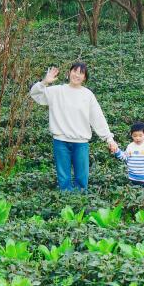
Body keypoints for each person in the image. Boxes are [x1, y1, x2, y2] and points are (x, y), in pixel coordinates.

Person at [30, 63, 115, 192]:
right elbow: (36, 94)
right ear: (69, 73)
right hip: (60, 141)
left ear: (85, 78)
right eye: (75, 71)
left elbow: (97, 117)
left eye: (81, 73)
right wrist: (44, 82)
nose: (77, 75)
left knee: (82, 177)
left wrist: (109, 138)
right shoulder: (57, 91)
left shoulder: (87, 95)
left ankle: (80, 203)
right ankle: (66, 203)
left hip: (80, 142)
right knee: (63, 177)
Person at [111, 121, 144, 189]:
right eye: (135, 135)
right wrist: (116, 151)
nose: (137, 138)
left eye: (140, 135)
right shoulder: (130, 146)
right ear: (131, 135)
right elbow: (125, 157)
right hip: (132, 178)